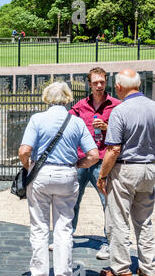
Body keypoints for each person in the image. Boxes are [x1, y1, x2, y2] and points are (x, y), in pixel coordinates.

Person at [19, 81, 99, 276]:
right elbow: (93, 155)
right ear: (67, 98)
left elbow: (24, 150)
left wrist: (29, 168)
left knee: (39, 226)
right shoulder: (77, 122)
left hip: (42, 175)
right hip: (67, 174)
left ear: (46, 97)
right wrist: (77, 164)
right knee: (64, 227)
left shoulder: (37, 119)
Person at [49, 67, 120, 259]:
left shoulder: (116, 105)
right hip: (82, 161)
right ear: (89, 84)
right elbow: (64, 124)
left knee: (108, 203)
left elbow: (124, 131)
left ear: (106, 82)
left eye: (102, 82)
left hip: (104, 161)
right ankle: (66, 238)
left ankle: (108, 242)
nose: (99, 85)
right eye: (96, 82)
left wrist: (108, 128)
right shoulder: (80, 106)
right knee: (72, 201)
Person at [97, 69, 155, 276]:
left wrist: (102, 175)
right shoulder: (153, 107)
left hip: (126, 169)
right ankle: (149, 268)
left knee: (119, 219)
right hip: (150, 168)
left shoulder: (120, 111)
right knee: (145, 220)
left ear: (119, 87)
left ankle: (121, 269)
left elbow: (113, 149)